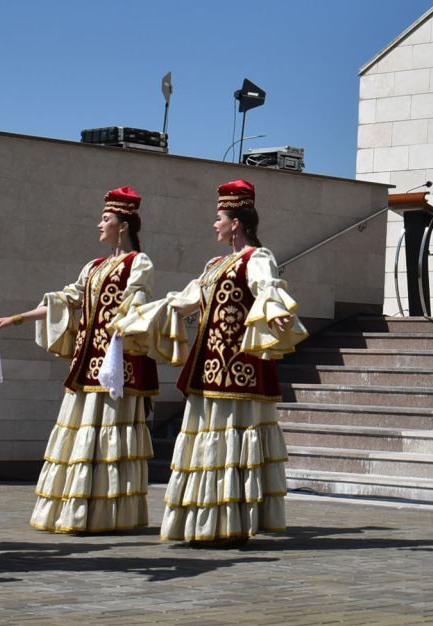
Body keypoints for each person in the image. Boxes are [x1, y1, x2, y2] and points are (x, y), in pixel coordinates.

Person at [126, 179, 304, 545]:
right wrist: (136, 320)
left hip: (238, 369)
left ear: (236, 222)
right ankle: (207, 520)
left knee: (230, 440)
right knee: (207, 440)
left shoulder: (258, 258)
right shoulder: (215, 264)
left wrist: (276, 313)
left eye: (218, 218)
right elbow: (184, 300)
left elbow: (265, 287)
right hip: (208, 368)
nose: (215, 225)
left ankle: (230, 520)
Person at [0, 186, 158, 535]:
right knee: (81, 432)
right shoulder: (94, 267)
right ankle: (78, 508)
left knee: (110, 434)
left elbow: (138, 304)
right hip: (87, 364)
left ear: (123, 225)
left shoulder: (137, 263)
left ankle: (110, 513)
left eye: (106, 219)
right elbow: (66, 301)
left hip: (116, 366)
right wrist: (16, 318)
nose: (100, 225)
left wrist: (121, 325)